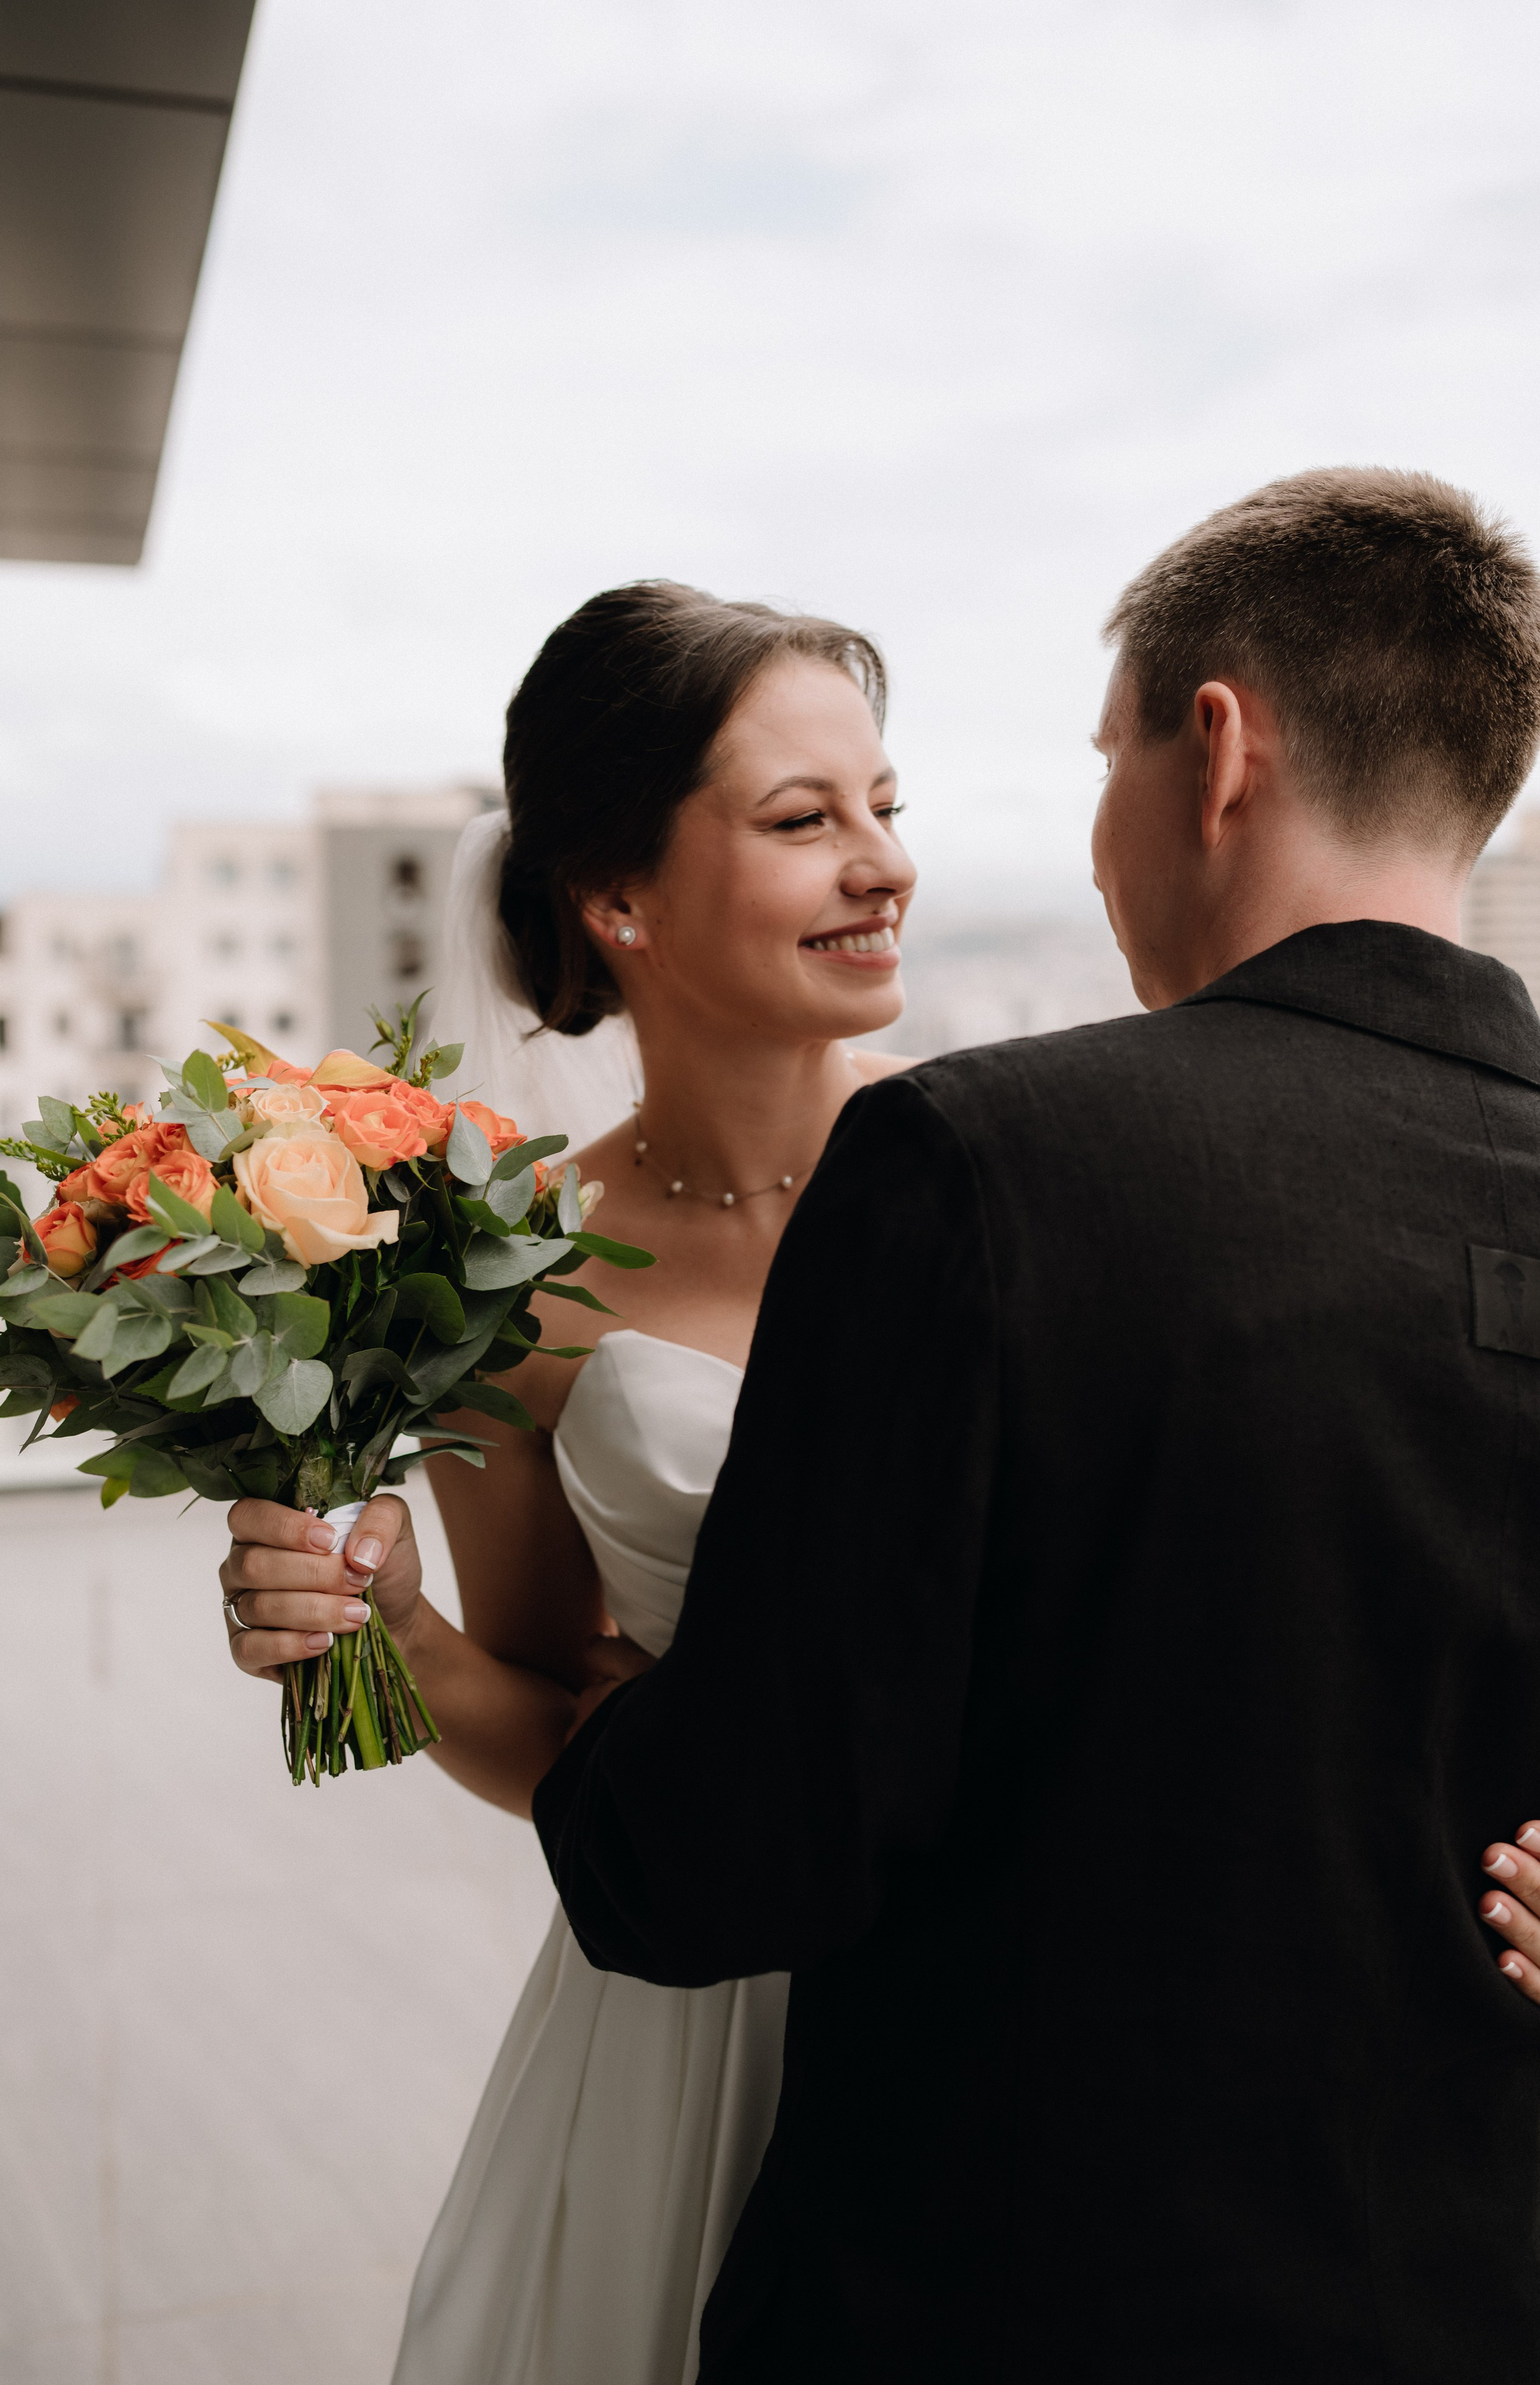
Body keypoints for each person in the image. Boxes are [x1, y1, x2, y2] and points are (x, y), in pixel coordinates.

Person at [527, 471, 1540, 2382]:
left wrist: (598, 1731)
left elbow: (727, 1853)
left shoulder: (981, 1160)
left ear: (1217, 751)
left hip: (992, 2300)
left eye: (1103, 760)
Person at [217, 581, 919, 2385]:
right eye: (802, 820)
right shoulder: (518, 1280)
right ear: (619, 901)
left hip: (987, 1971)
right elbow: (550, 1717)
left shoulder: (1008, 1177)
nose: (880, 866)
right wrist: (383, 1626)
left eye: (884, 809)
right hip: (685, 1998)